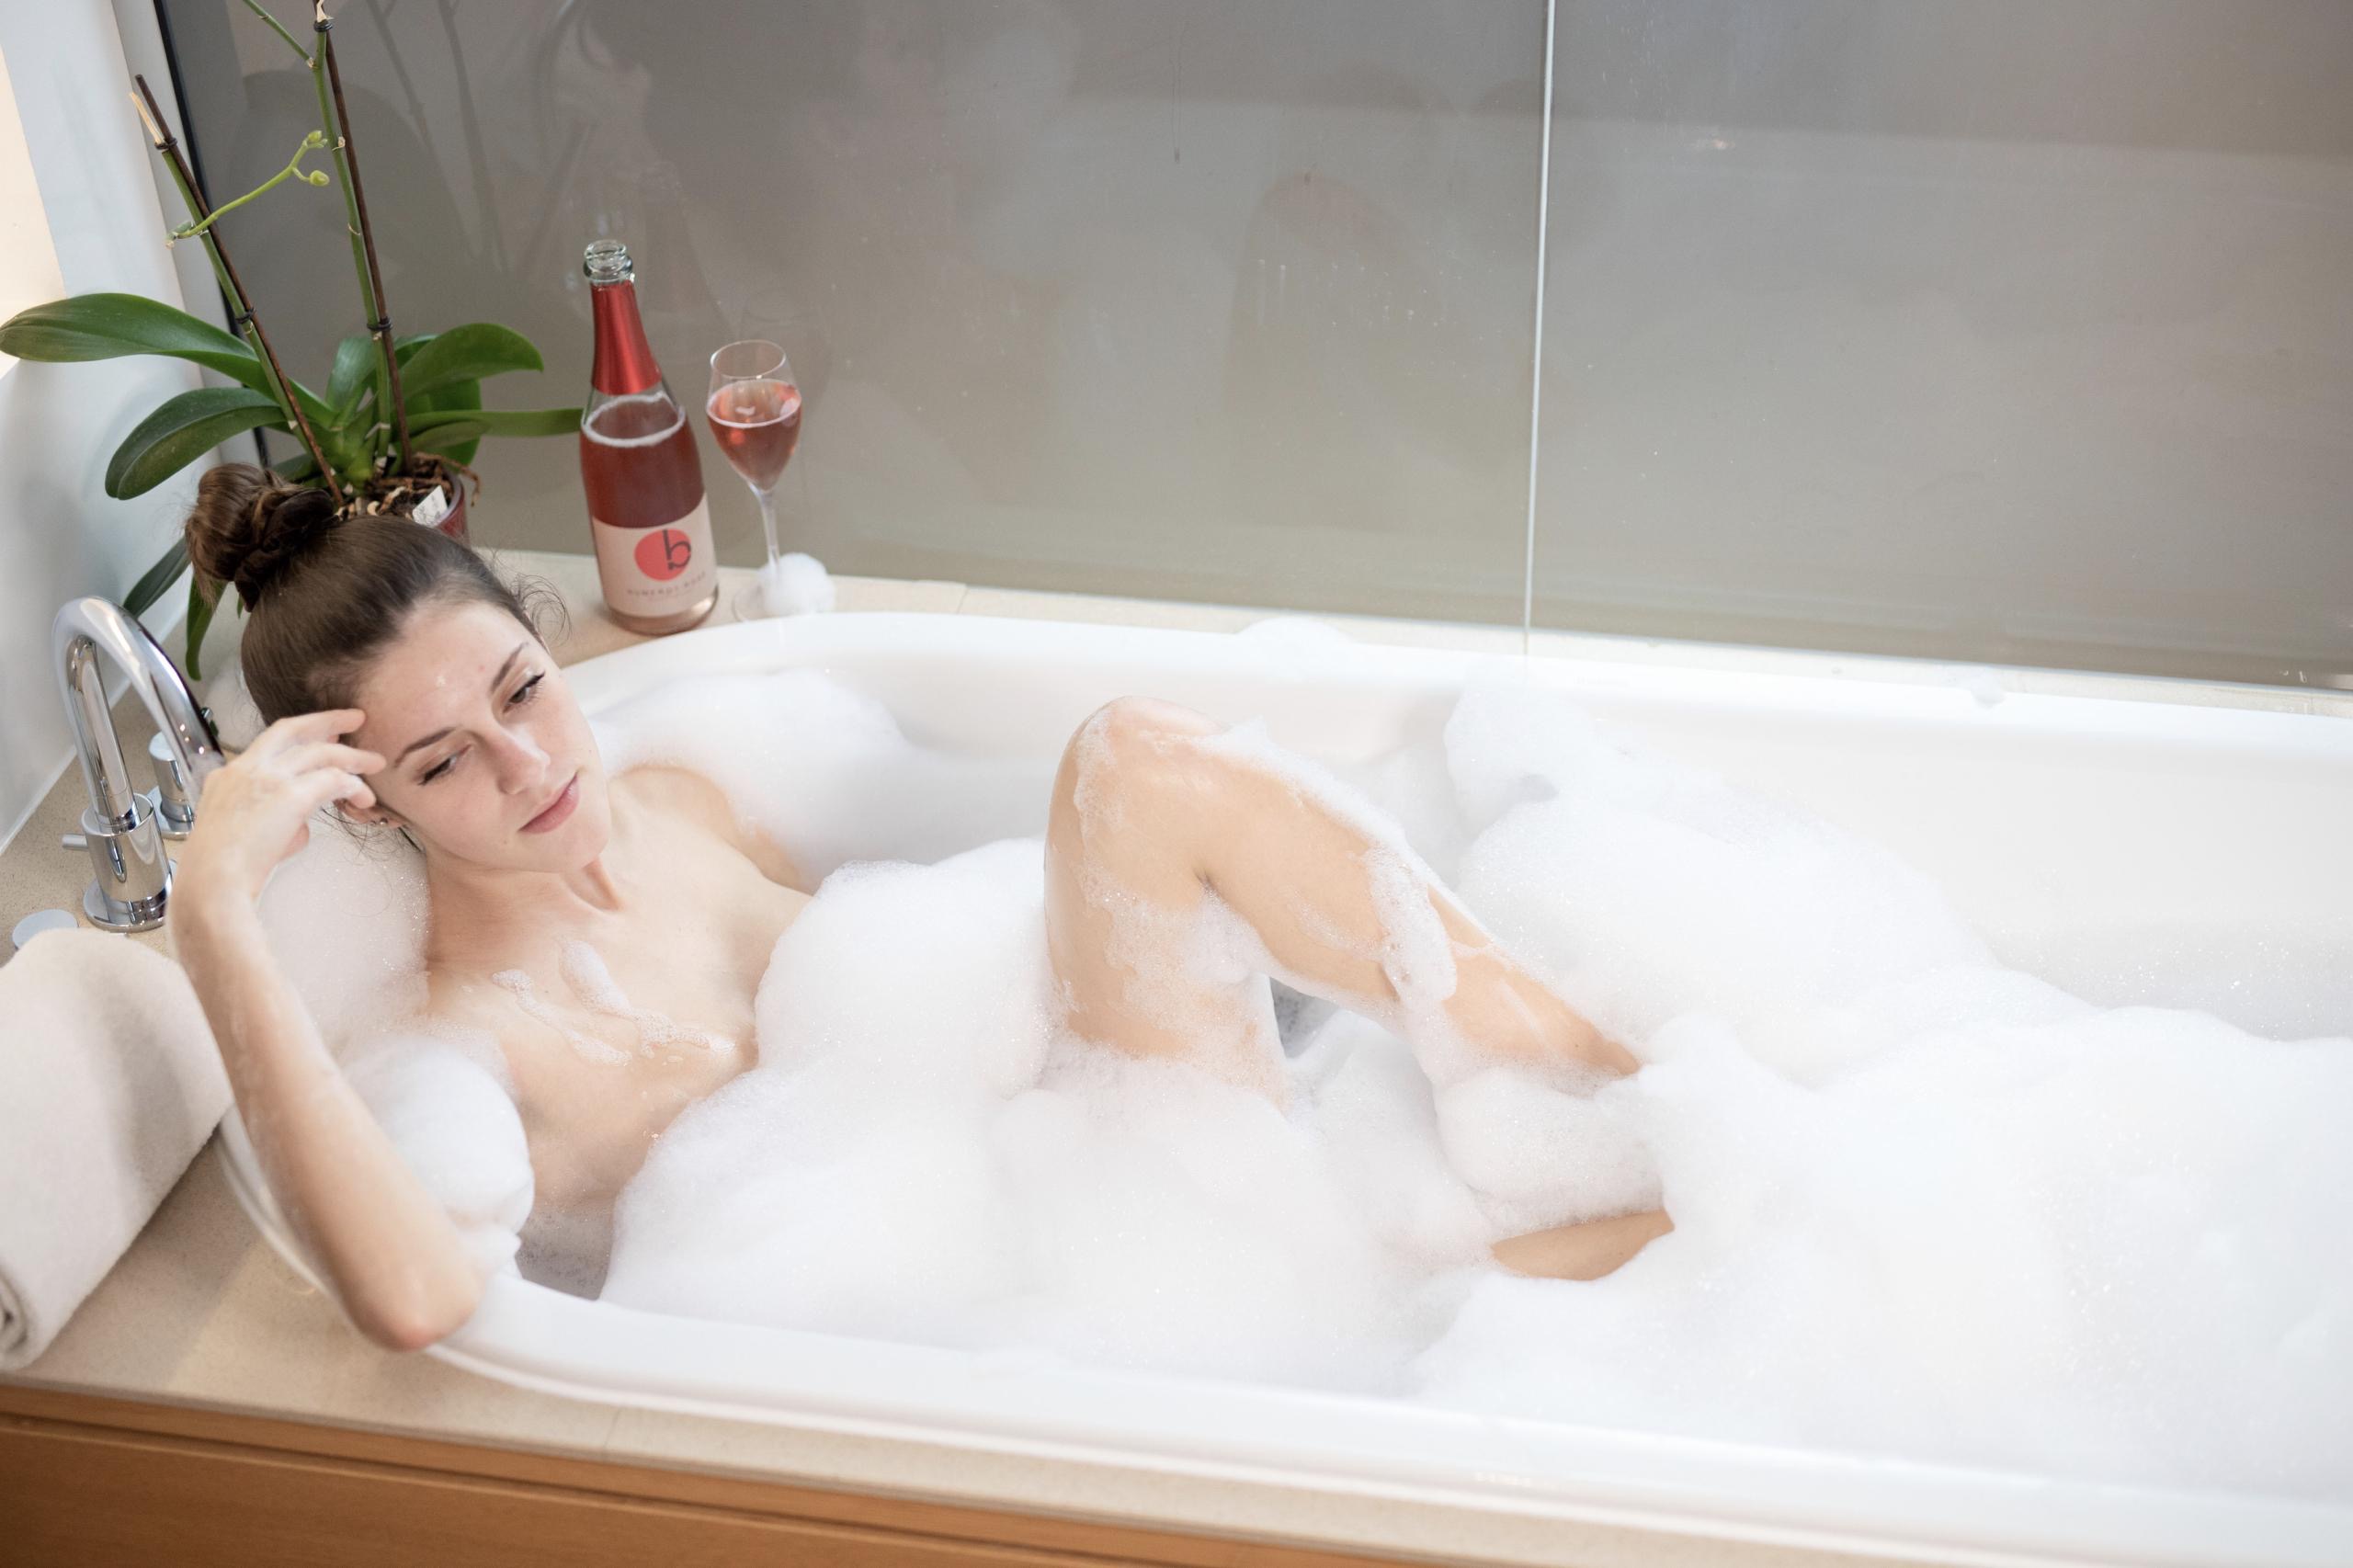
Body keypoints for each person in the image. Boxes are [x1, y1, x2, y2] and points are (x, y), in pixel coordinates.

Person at [169, 462, 1672, 1354]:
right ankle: (1687, 1185)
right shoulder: (462, 1044)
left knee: (1133, 759)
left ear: (546, 639)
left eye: (523, 688)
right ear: (368, 801)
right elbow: (419, 1300)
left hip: (1109, 1144)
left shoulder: (690, 791)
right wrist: (218, 919)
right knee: (1498, 1265)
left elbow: (954, 876)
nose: (529, 764)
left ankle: (1620, 1088)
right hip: (1053, 1277)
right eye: (445, 761)